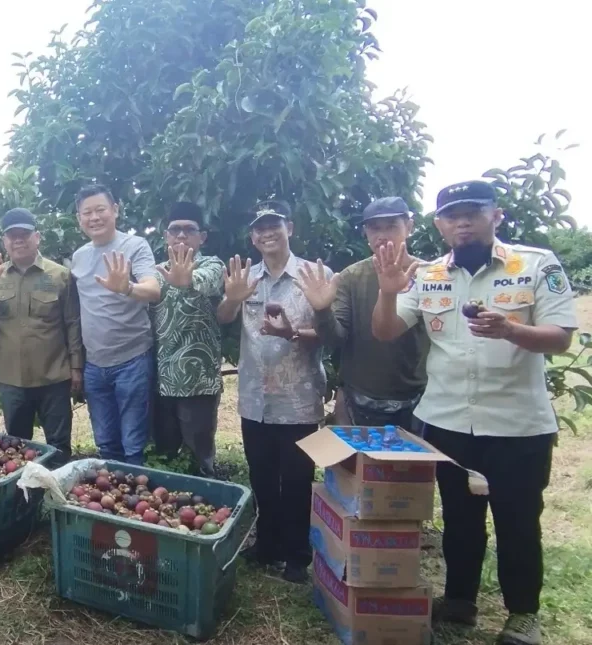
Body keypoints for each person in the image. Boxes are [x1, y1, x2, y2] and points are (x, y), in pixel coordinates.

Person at [372, 180, 576, 645]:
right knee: (460, 518)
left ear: (495, 215)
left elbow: (562, 336)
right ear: (440, 224)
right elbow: (385, 331)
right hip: (446, 422)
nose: (462, 222)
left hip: (517, 425)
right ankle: (460, 601)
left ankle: (523, 614)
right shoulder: (428, 275)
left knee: (518, 520)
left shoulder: (534, 264)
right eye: (451, 215)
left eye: (473, 211)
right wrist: (386, 293)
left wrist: (510, 330)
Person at [217, 200, 328, 584]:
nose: (267, 233)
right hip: (254, 398)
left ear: (290, 229)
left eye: (274, 225)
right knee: (262, 475)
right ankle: (268, 545)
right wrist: (232, 296)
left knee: (297, 480)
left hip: (297, 399)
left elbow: (330, 336)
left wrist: (291, 333)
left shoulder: (315, 275)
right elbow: (224, 318)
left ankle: (298, 555)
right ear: (253, 237)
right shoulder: (245, 278)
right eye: (260, 228)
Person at [297, 197, 428, 428]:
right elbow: (336, 338)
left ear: (409, 227)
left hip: (417, 399)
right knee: (353, 465)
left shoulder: (429, 275)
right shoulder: (352, 276)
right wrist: (322, 310)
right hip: (357, 399)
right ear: (366, 233)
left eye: (391, 226)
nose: (382, 235)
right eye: (375, 228)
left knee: (408, 464)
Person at [0, 208, 82, 463]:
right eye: (12, 235)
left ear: (37, 237)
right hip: (13, 379)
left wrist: (76, 367)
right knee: (17, 447)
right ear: (4, 241)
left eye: (24, 234)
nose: (18, 240)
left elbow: (73, 323)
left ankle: (56, 497)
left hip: (54, 376)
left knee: (59, 445)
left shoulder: (59, 275)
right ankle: (22, 497)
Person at [71, 184, 160, 465]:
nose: (94, 217)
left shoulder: (134, 246)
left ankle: (136, 501)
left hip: (132, 360)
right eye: (87, 213)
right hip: (95, 365)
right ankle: (111, 501)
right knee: (106, 442)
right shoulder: (79, 256)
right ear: (79, 219)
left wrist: (127, 288)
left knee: (133, 443)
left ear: (115, 211)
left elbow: (153, 289)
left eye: (100, 210)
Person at [149, 202, 225, 477]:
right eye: (175, 230)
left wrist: (186, 279)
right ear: (166, 235)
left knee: (199, 459)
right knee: (164, 454)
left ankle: (207, 504)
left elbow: (207, 281)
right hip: (161, 380)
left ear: (202, 236)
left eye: (189, 230)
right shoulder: (155, 272)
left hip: (198, 382)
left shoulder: (212, 265)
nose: (181, 236)